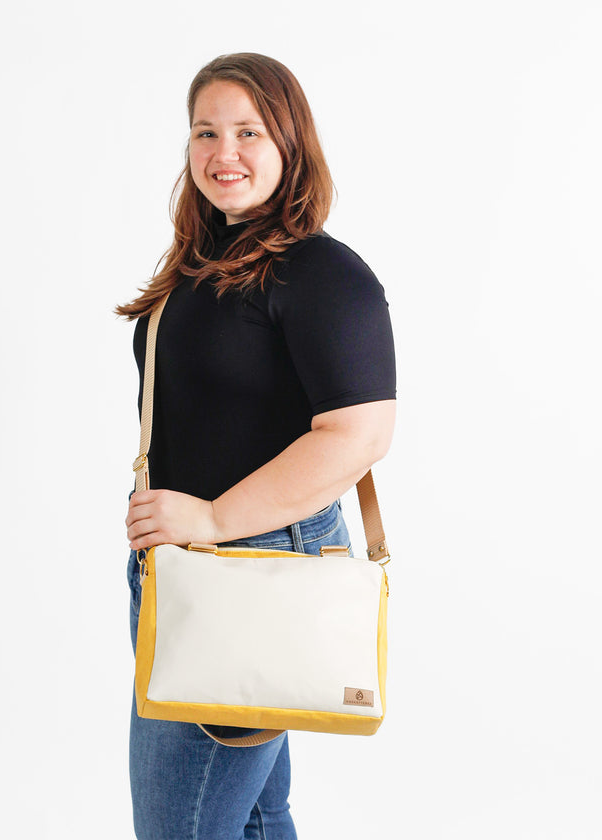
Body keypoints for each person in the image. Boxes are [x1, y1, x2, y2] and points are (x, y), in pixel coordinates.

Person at [116, 52, 396, 840]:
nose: (222, 152)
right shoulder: (204, 267)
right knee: (256, 814)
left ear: (290, 143)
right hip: (188, 565)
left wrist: (209, 518)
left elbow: (360, 433)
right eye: (205, 132)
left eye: (248, 131)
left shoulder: (321, 274)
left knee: (185, 828)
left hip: (248, 564)